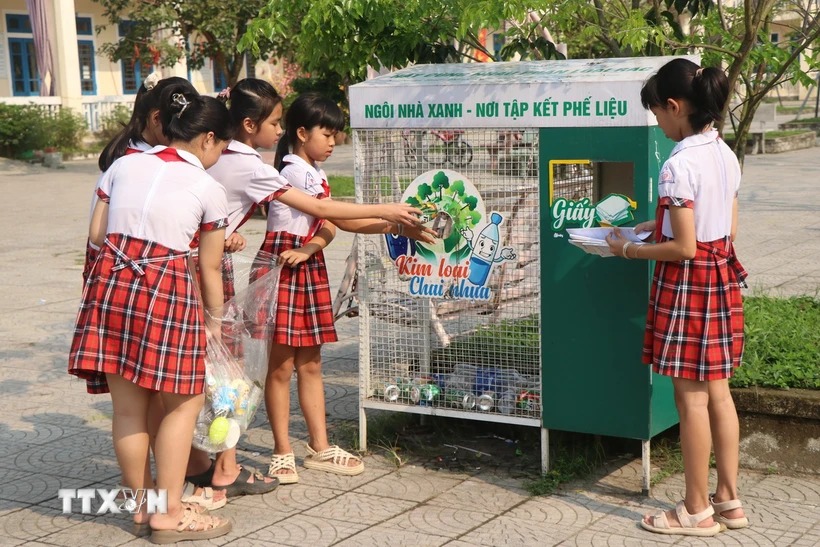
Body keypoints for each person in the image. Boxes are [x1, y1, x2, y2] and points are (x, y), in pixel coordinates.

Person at [68, 84, 234, 543]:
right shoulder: (207, 187)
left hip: (112, 284)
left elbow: (97, 235)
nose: (219, 155)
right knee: (183, 404)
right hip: (167, 287)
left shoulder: (122, 164)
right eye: (222, 147)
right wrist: (214, 321)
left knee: (128, 409)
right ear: (208, 139)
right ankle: (170, 512)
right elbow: (209, 267)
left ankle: (143, 507)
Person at [605, 58, 748, 537]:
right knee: (719, 395)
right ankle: (728, 500)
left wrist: (628, 248)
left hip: (688, 286)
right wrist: (658, 222)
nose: (659, 125)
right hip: (721, 277)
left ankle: (695, 509)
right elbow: (724, 228)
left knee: (690, 402)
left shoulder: (678, 164)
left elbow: (685, 247)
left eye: (657, 114)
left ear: (674, 106)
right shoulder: (724, 154)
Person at [264, 92, 436, 483]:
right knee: (281, 366)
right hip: (285, 266)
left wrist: (397, 226)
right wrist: (387, 213)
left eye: (335, 134)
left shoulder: (314, 172)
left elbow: (331, 224)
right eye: (326, 134)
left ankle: (319, 447)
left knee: (311, 362)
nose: (333, 142)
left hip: (304, 264)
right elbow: (334, 214)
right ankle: (281, 451)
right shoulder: (294, 170)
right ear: (302, 133)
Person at [84, 73, 198, 282]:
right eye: (182, 126)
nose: (187, 135)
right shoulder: (139, 164)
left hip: (120, 262)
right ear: (156, 119)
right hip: (131, 268)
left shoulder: (130, 152)